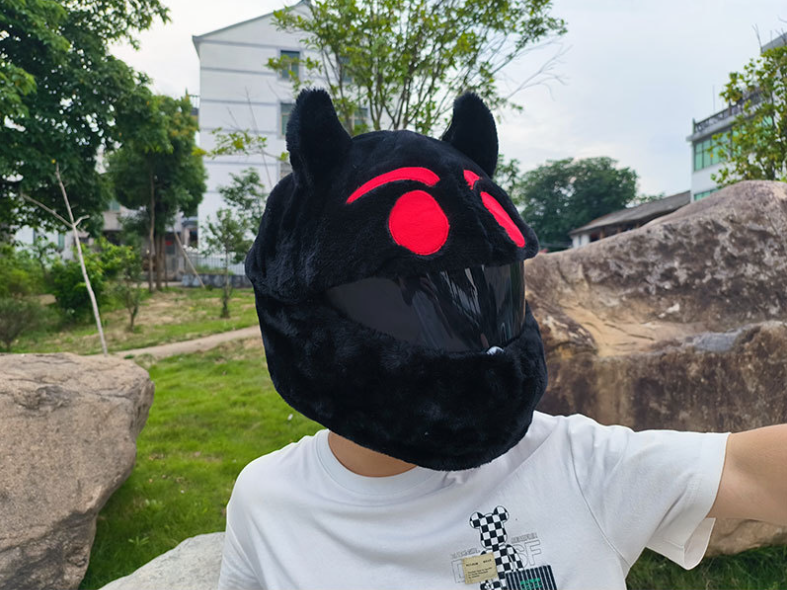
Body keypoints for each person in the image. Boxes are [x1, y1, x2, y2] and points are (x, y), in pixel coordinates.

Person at [218, 89, 787, 590]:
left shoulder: (574, 464)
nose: (477, 344)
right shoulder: (267, 503)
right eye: (416, 300)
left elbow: (749, 471)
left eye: (492, 293)